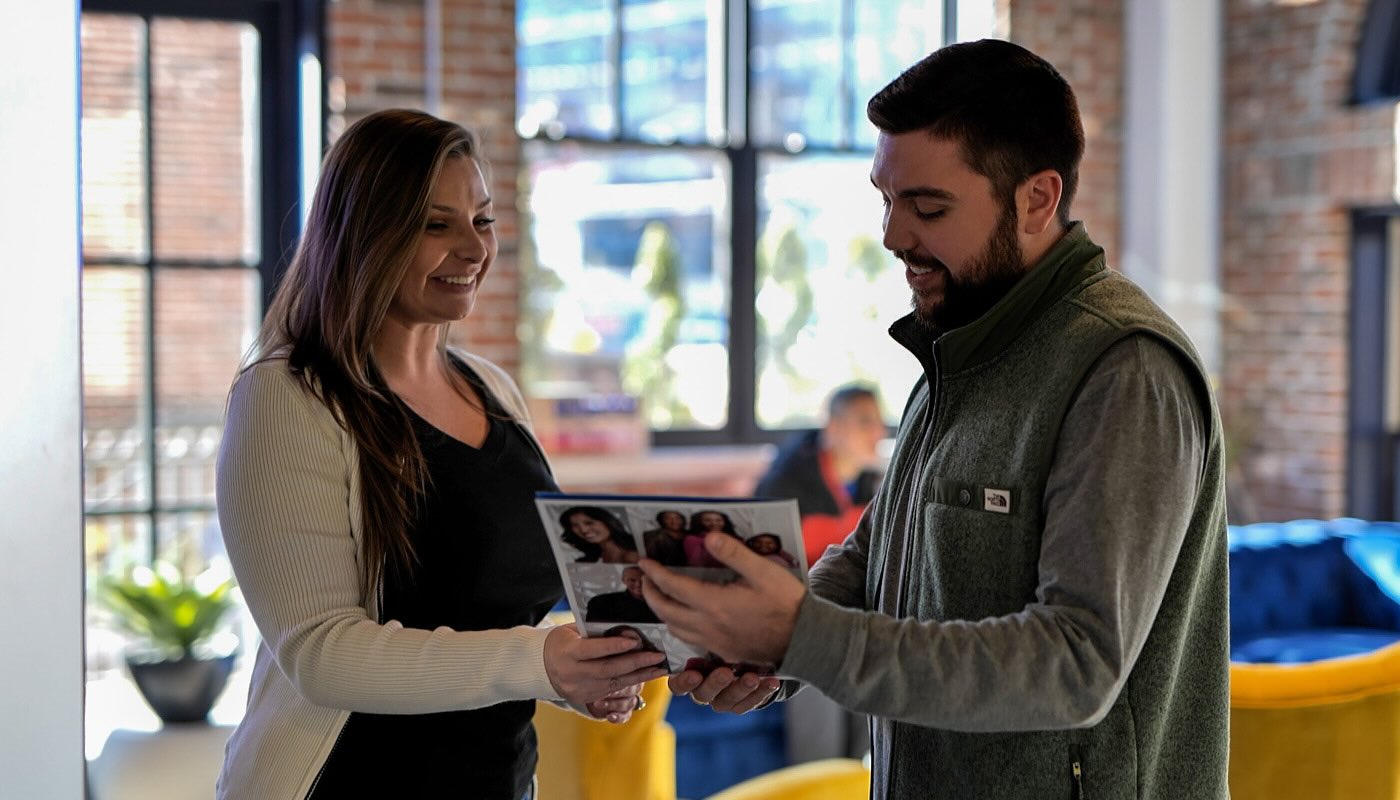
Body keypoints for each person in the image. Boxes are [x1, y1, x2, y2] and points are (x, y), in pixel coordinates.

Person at [638, 39, 1230, 800]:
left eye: (927, 207)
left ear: (1037, 199)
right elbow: (876, 554)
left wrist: (801, 637)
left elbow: (1076, 662)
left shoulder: (1125, 369)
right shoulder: (962, 342)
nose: (893, 236)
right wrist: (772, 655)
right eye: (886, 200)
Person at [214, 109, 668, 800]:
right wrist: (540, 660)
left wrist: (582, 668)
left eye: (482, 220)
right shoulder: (288, 396)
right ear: (365, 234)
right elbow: (321, 652)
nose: (473, 248)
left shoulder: (493, 391)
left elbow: (499, 620)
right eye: (436, 224)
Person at [754, 384, 888, 566]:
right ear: (833, 428)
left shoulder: (875, 484)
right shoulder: (783, 484)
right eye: (865, 422)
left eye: (879, 422)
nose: (878, 433)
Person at [559, 505, 640, 564]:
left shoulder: (633, 556)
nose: (583, 530)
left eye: (589, 523)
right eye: (575, 526)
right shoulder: (591, 558)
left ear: (608, 522)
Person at [586, 567, 661, 623]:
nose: (638, 584)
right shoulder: (601, 602)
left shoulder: (664, 602)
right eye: (632, 580)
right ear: (623, 580)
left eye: (644, 580)